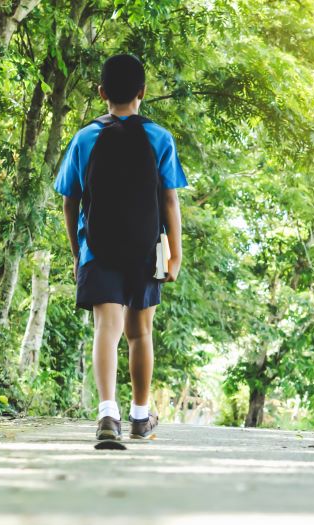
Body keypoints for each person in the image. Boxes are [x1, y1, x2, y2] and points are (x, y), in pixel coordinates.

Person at [53, 54, 187, 443]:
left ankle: (107, 414)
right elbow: (169, 201)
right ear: (142, 93)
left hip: (98, 248)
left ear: (101, 93)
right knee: (140, 333)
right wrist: (174, 255)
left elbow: (69, 200)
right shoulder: (160, 138)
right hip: (146, 250)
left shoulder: (85, 138)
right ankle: (140, 417)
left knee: (106, 330)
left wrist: (78, 254)